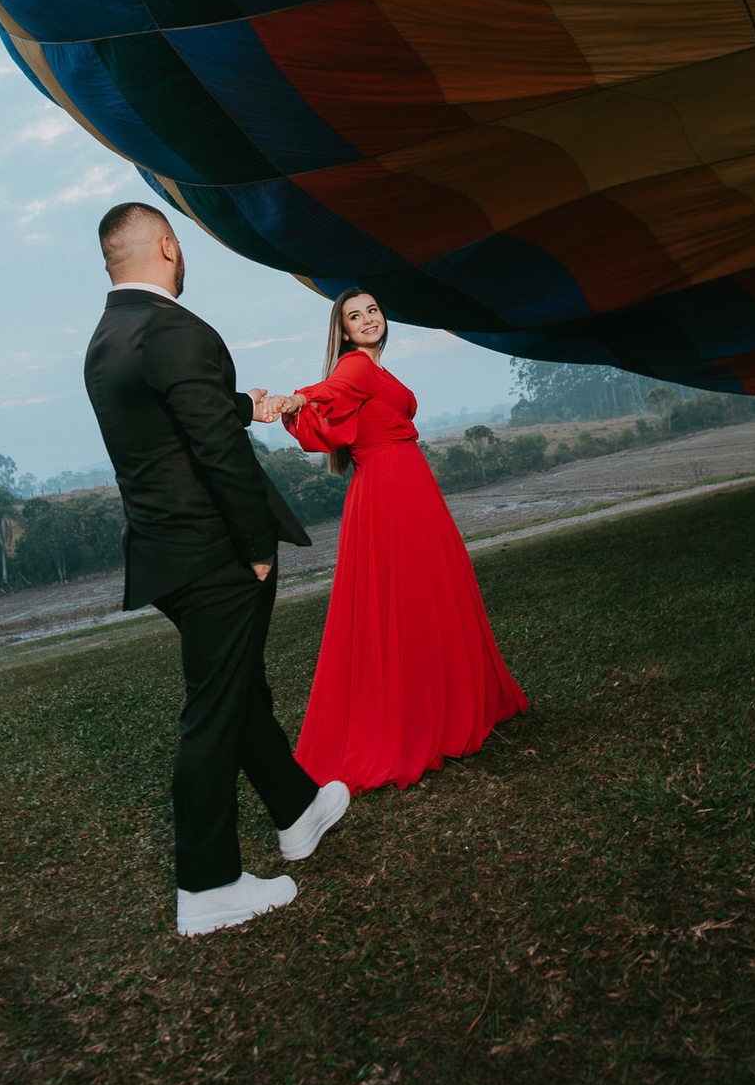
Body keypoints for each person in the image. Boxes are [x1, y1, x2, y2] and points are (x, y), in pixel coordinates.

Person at [83, 203, 349, 937]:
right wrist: (257, 543)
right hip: (215, 552)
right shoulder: (176, 329)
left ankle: (298, 811)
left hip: (164, 552)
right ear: (168, 243)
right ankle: (207, 887)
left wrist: (243, 404)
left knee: (235, 687)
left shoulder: (107, 340)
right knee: (212, 712)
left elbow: (170, 417)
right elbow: (215, 454)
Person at [279, 287, 527, 793]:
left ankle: (450, 703)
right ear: (344, 331)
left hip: (403, 487)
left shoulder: (377, 368)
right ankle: (419, 720)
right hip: (391, 491)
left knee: (427, 594)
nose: (368, 319)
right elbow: (324, 393)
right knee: (412, 598)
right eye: (355, 316)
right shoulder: (357, 367)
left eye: (372, 310)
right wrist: (296, 399)